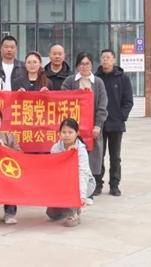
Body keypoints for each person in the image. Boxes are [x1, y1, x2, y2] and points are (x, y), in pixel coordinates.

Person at [61, 52, 108, 195]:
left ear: (92, 65)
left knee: (93, 157)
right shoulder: (70, 80)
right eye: (81, 64)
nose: (84, 67)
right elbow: (62, 97)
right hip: (73, 128)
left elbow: (102, 105)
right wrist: (78, 93)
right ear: (77, 66)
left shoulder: (98, 82)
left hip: (92, 128)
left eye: (87, 64)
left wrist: (98, 125)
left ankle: (92, 187)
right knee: (74, 155)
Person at [94, 49, 134, 196]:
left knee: (115, 157)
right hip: (99, 124)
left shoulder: (123, 78)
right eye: (103, 57)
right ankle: (97, 184)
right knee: (99, 155)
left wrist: (122, 116)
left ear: (114, 60)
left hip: (116, 123)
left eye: (108, 57)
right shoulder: (95, 78)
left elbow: (128, 101)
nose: (105, 60)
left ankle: (114, 185)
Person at [46, 118, 95, 227]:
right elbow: (54, 171)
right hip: (62, 183)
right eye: (64, 132)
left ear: (77, 133)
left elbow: (82, 173)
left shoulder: (81, 150)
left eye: (70, 132)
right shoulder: (55, 148)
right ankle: (70, 207)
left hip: (83, 184)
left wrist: (81, 195)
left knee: (71, 189)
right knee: (52, 214)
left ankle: (73, 213)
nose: (66, 135)